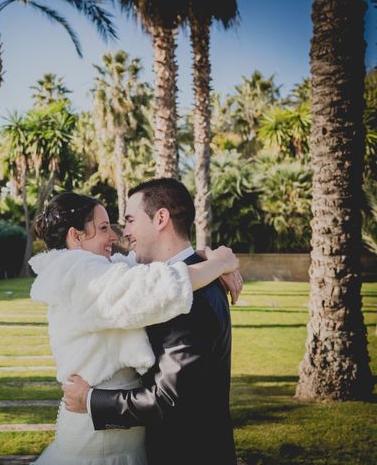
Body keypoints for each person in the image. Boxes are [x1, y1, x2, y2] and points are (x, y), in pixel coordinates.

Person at [28, 190, 241, 465]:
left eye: (128, 221)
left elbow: (141, 270)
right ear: (76, 236)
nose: (117, 235)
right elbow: (156, 285)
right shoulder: (83, 279)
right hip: (101, 443)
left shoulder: (100, 271)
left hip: (118, 434)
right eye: (104, 228)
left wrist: (204, 256)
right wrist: (221, 262)